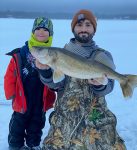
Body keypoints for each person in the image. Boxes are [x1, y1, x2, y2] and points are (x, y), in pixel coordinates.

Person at [36, 10, 126, 150]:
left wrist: (100, 85)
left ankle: (126, 81)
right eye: (79, 25)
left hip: (95, 117)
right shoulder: (62, 52)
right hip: (66, 117)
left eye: (88, 25)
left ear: (94, 29)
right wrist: (45, 71)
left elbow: (108, 87)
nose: (83, 29)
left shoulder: (103, 55)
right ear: (73, 29)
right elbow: (56, 84)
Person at [4, 17, 56, 150]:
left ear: (50, 34)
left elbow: (56, 78)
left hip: (40, 99)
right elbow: (10, 75)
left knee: (37, 123)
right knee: (18, 124)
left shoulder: (53, 55)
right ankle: (15, 145)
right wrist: (11, 94)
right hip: (22, 98)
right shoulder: (21, 53)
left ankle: (34, 144)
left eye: (45, 30)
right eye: (38, 29)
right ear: (33, 32)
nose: (41, 32)